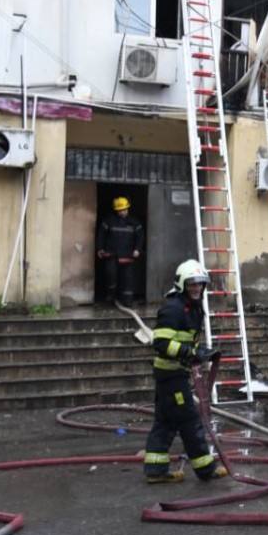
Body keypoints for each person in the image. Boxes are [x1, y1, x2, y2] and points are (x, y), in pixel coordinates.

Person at [142, 259, 229, 484]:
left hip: (170, 375)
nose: (197, 288)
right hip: (171, 376)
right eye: (192, 284)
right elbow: (161, 343)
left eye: (200, 283)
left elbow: (185, 340)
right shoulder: (174, 308)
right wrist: (189, 353)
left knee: (165, 422)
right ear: (181, 284)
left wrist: (200, 351)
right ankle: (205, 469)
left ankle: (155, 471)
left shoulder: (191, 307)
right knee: (190, 421)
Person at [96, 196, 144, 307]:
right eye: (120, 210)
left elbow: (140, 237)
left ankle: (127, 301)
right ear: (116, 210)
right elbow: (101, 236)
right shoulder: (109, 221)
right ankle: (111, 299)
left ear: (128, 209)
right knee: (111, 277)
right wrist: (100, 248)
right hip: (112, 255)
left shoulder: (134, 222)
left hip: (128, 256)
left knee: (127, 279)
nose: (123, 212)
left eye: (125, 210)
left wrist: (137, 249)